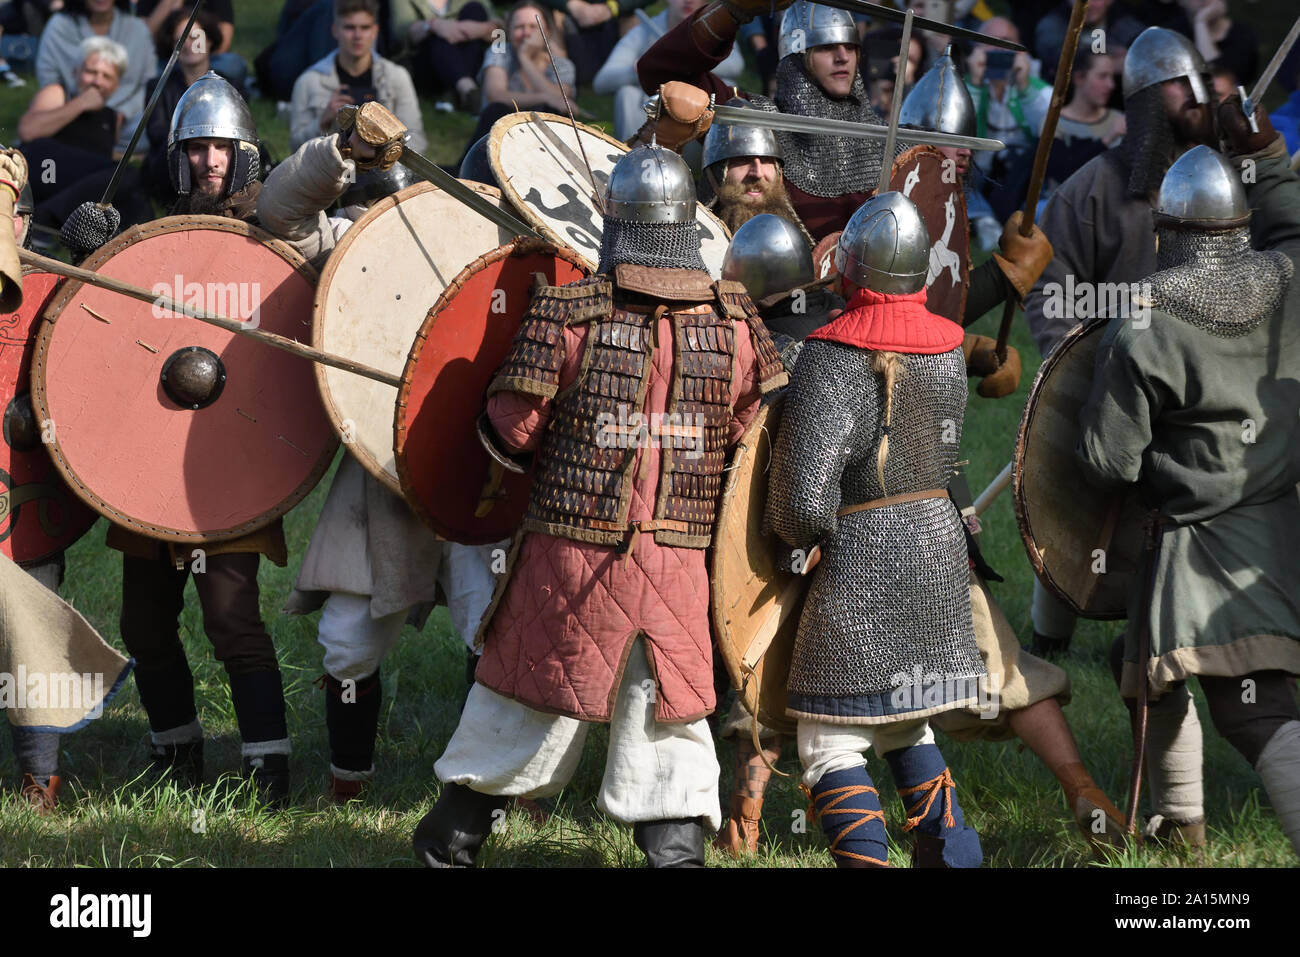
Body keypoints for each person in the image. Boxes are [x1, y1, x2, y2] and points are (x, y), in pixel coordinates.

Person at [411, 143, 788, 868]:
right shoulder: (736, 323)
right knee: (670, 735)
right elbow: (753, 450)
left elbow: (508, 438)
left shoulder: (569, 312)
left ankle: (447, 850)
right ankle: (674, 860)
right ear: (687, 225)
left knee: (514, 713)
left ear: (613, 223)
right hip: (678, 568)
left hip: (566, 562)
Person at [256, 102, 503, 802]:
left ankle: (487, 792)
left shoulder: (518, 262)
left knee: (496, 629)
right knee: (347, 642)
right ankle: (349, 785)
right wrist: (339, 151)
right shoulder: (349, 244)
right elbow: (282, 214)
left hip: (484, 471)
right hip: (383, 475)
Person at [61, 73, 296, 807]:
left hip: (227, 454)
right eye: (196, 149)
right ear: (177, 157)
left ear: (246, 154)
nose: (210, 162)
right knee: (142, 620)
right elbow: (90, 324)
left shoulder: (271, 232)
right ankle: (176, 749)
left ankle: (268, 767)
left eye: (222, 149)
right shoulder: (153, 236)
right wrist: (80, 249)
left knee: (230, 615)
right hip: (152, 449)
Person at [1076, 117, 1300, 859]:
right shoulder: (1289, 280)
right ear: (1241, 224)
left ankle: (1187, 826)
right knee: (1143, 671)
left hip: (1201, 547)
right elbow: (1293, 224)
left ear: (1168, 228)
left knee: (1252, 705)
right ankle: (1181, 827)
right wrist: (1267, 154)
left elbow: (1108, 462)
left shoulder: (1144, 318)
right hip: (1284, 529)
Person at [1021, 25, 1218, 847]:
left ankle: (1184, 812)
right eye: (1179, 90)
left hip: (1202, 425)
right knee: (1065, 521)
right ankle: (1043, 642)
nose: (1193, 104)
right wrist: (1095, 360)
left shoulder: (1224, 187)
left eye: (1196, 87)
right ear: (1142, 104)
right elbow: (1050, 298)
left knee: (1156, 622)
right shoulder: (1095, 192)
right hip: (1113, 408)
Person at [765, 192, 984, 868]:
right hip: (939, 550)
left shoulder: (830, 356)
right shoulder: (949, 348)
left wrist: (791, 545)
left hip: (862, 555)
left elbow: (801, 499)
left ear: (849, 267)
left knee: (832, 739)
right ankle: (955, 850)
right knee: (904, 718)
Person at [638, 0, 889, 242]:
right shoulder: (754, 118)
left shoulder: (892, 143)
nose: (842, 56)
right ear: (797, 57)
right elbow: (659, 74)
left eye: (850, 46)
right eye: (825, 47)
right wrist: (729, 13)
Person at [17, 36, 150, 233]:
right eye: (91, 72)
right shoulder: (58, 93)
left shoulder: (113, 118)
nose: (97, 81)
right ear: (75, 72)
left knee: (135, 200)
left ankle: (143, 244)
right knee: (125, 174)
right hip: (45, 169)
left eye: (107, 76)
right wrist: (81, 103)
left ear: (117, 86)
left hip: (74, 188)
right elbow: (28, 132)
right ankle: (46, 217)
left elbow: (95, 161)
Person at [593, 0, 742, 142]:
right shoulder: (643, 31)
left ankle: (715, 163)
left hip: (696, 118)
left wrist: (681, 61)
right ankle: (627, 159)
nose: (688, 1)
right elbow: (602, 81)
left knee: (727, 89)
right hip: (651, 113)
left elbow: (736, 65)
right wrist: (638, 70)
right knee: (627, 94)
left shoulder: (715, 26)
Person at [289, 0, 427, 154]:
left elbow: (417, 141)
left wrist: (383, 154)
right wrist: (322, 122)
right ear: (335, 30)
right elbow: (296, 148)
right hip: (330, 173)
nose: (357, 35)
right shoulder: (309, 81)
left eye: (365, 28)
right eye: (349, 27)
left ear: (375, 31)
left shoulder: (396, 77)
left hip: (384, 173)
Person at [141, 8, 238, 206]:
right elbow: (157, 133)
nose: (188, 44)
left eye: (195, 37)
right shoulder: (158, 87)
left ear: (210, 41)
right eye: (181, 39)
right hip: (173, 167)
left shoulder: (231, 86)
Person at [460, 0, 575, 162]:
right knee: (497, 109)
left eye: (533, 27)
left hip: (540, 146)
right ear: (509, 31)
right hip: (496, 137)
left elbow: (559, 98)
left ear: (547, 32)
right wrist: (544, 97)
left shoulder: (562, 65)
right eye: (519, 27)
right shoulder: (499, 51)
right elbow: (496, 95)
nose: (526, 33)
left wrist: (525, 59)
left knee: (552, 112)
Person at [33, 0, 152, 152]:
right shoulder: (58, 26)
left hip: (128, 119)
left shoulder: (136, 28)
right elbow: (49, 78)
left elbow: (146, 83)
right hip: (72, 111)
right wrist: (78, 105)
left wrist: (120, 113)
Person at [1039, 47, 1125, 211]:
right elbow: (1062, 174)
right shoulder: (1055, 123)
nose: (1111, 85)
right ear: (1079, 78)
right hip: (1064, 206)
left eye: (1112, 77)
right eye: (1102, 76)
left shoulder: (1118, 119)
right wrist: (1107, 139)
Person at [389, 0, 499, 110]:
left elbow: (500, 29)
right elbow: (401, 33)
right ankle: (468, 89)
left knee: (475, 9)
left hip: (469, 55)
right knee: (436, 36)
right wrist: (432, 25)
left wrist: (474, 29)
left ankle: (458, 93)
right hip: (426, 65)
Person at [135, 0, 247, 90]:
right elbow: (143, 39)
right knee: (147, 71)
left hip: (208, 61)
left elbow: (224, 43)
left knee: (233, 63)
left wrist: (197, 60)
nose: (188, 44)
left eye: (193, 38)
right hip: (167, 63)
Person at [1033, 0, 1143, 85]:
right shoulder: (1052, 24)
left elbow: (1145, 54)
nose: (1088, 4)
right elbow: (1061, 60)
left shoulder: (1122, 22)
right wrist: (1113, 62)